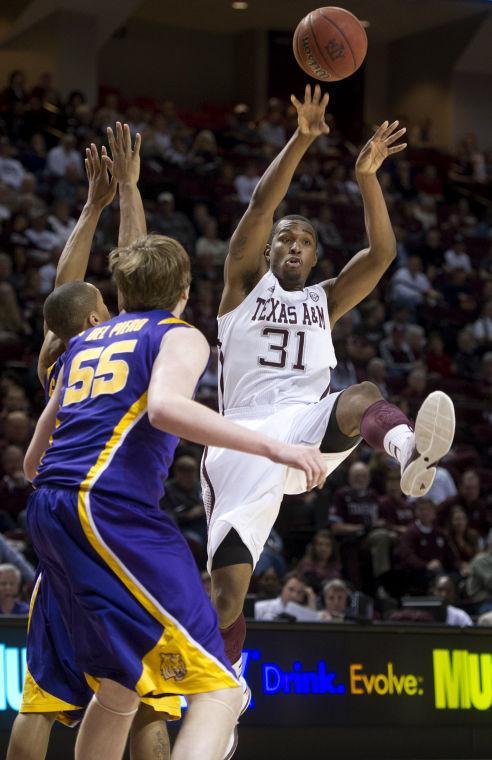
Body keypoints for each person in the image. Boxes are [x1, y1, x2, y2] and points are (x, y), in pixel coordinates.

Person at [18, 228, 326, 760]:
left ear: (118, 293)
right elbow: (164, 408)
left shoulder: (85, 342)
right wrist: (274, 448)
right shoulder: (179, 334)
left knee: (119, 687)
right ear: (184, 291)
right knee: (221, 684)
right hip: (110, 509)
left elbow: (30, 461)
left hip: (48, 509)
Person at [201, 84, 455, 729]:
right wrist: (305, 137)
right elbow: (262, 202)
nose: (292, 246)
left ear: (316, 256)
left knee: (363, 393)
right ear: (266, 251)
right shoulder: (239, 286)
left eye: (305, 242)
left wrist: (367, 177)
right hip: (239, 442)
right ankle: (223, 691)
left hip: (307, 423)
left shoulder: (324, 301)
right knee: (226, 597)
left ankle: (407, 454)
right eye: (285, 239)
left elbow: (383, 255)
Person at [9, 128, 180, 760]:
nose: (113, 304)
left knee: (41, 703)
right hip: (116, 532)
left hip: (57, 542)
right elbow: (139, 269)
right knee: (145, 709)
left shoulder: (62, 354)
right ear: (95, 317)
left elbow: (66, 291)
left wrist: (90, 208)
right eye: (104, 304)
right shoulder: (131, 342)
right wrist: (129, 192)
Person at [399, 499, 458, 593]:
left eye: (428, 510)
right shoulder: (410, 533)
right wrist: (426, 565)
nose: (425, 512)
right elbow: (408, 556)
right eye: (421, 509)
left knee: (458, 577)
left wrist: (460, 566)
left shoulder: (439, 533)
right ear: (416, 512)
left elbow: (450, 555)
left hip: (440, 570)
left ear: (434, 513)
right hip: (419, 572)